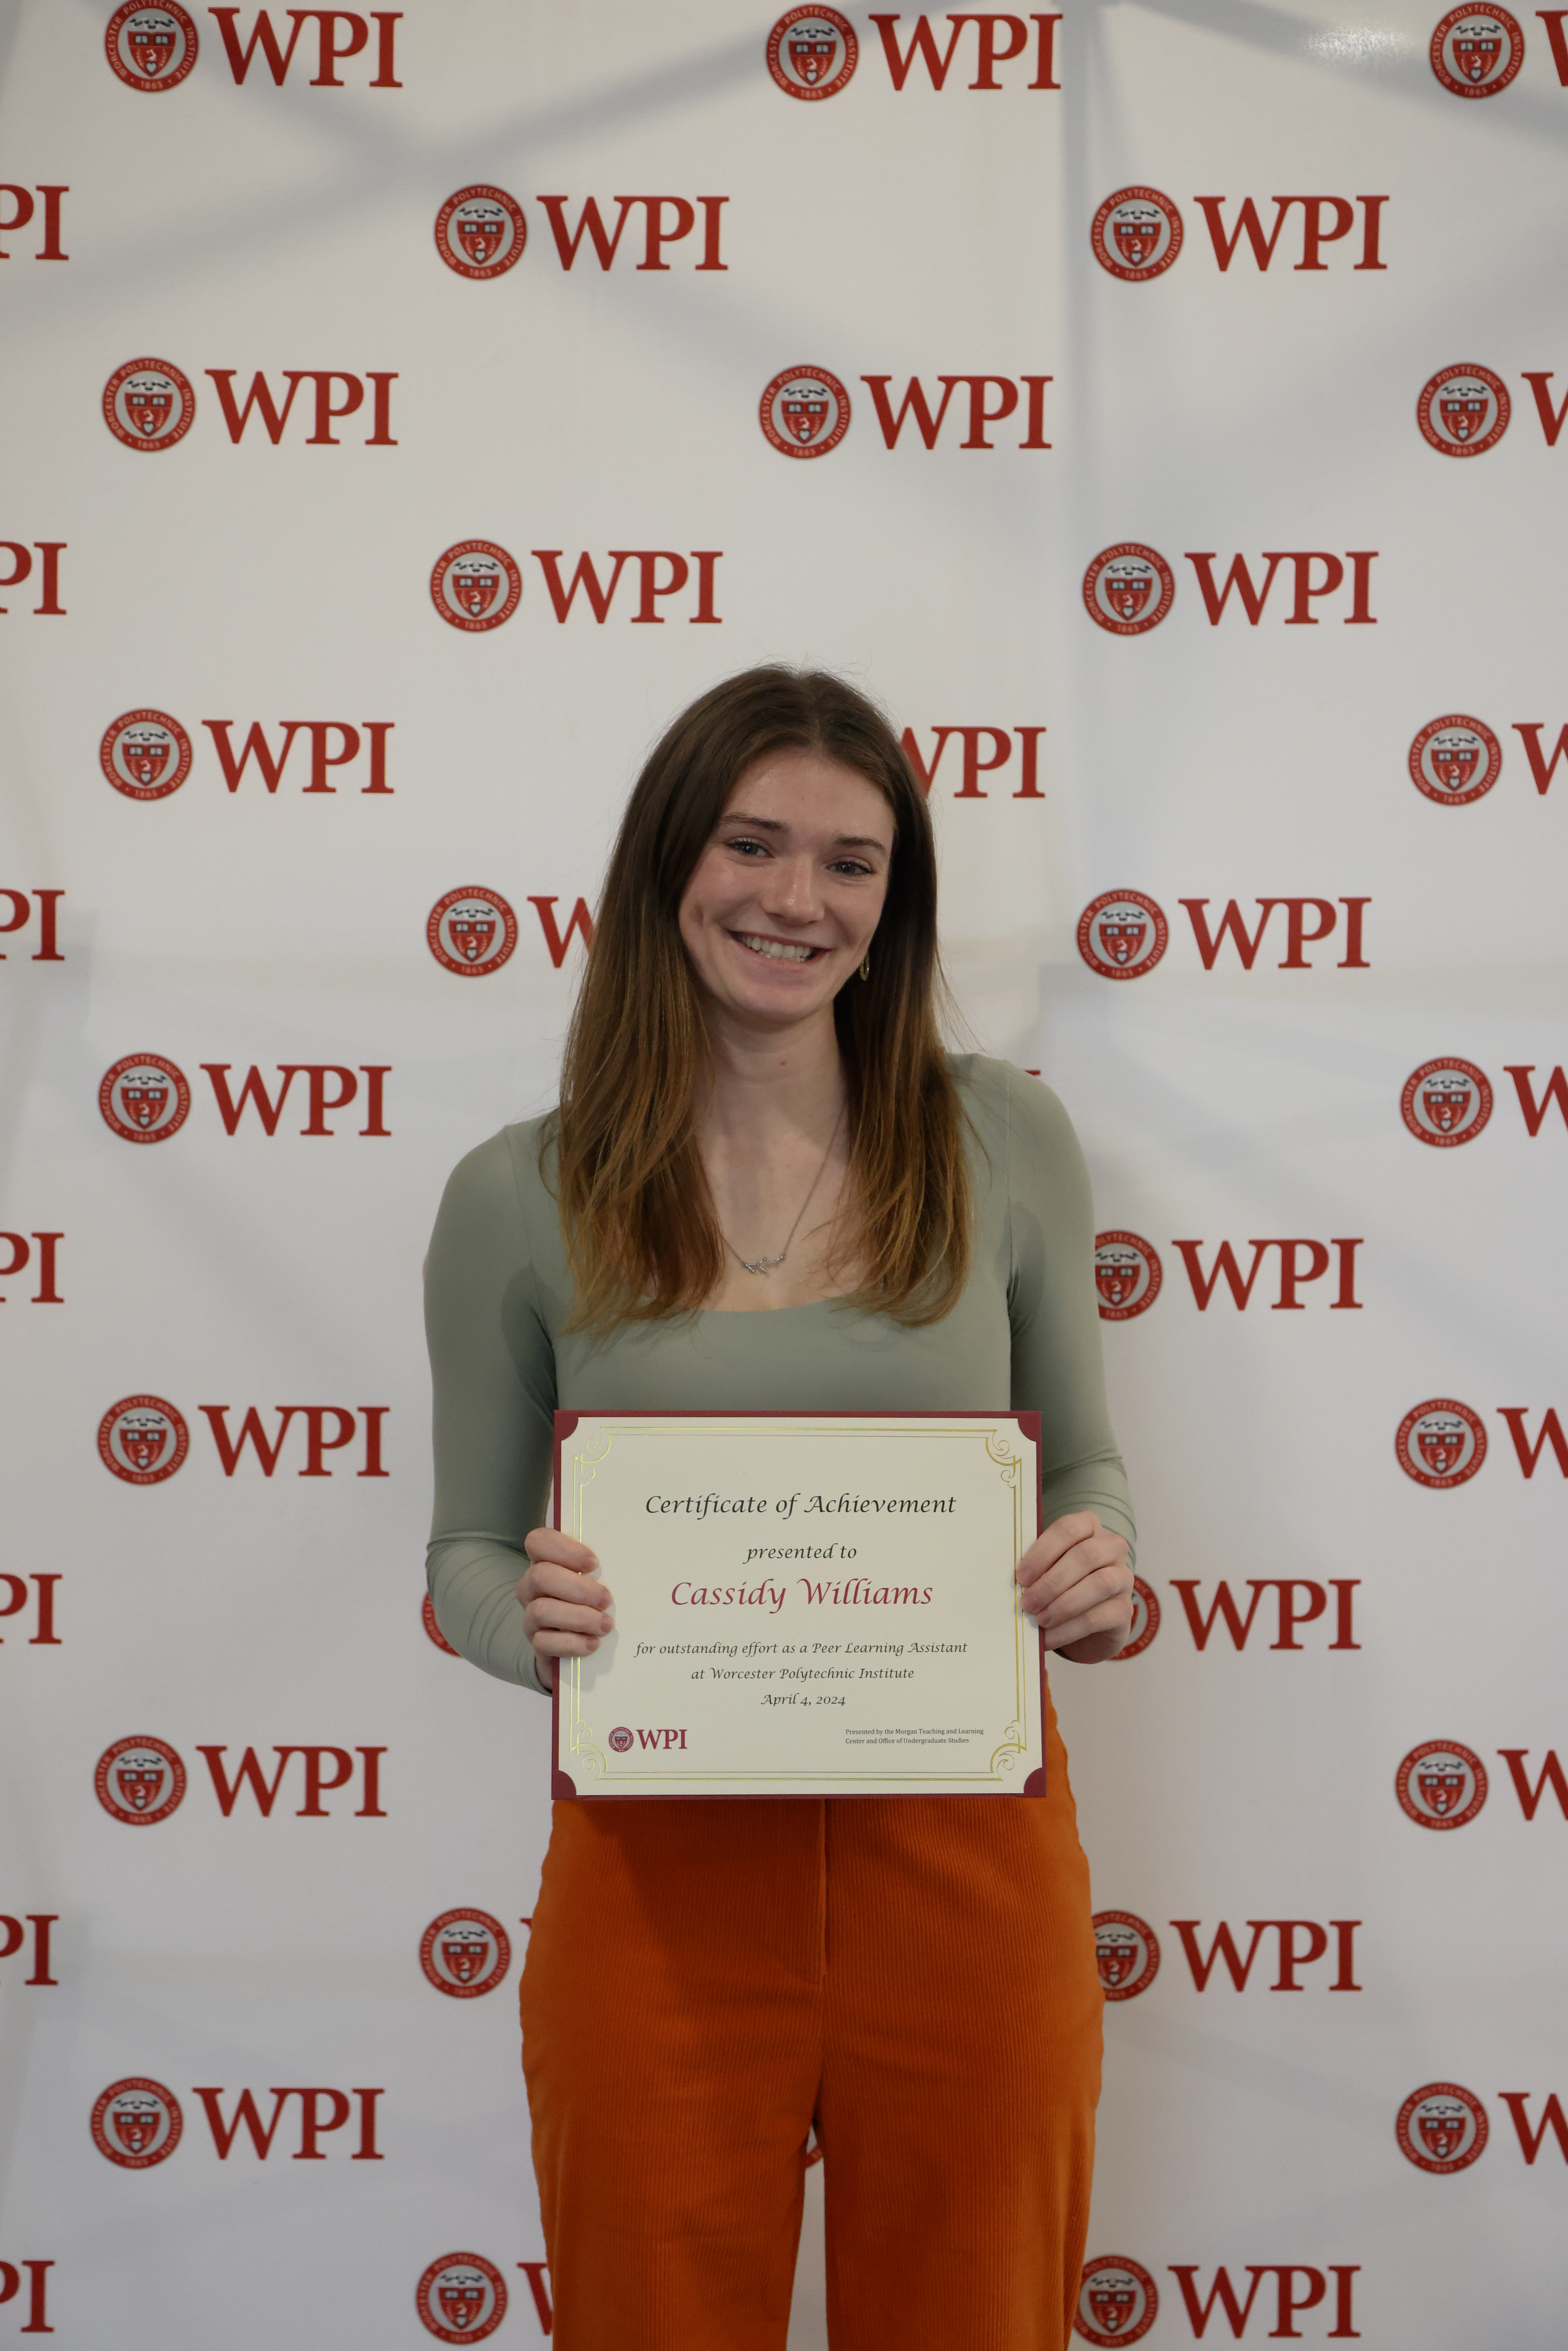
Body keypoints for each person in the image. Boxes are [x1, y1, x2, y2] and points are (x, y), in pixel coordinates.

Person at [423, 666, 1136, 2351]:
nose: (796, 899)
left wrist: (1103, 1561)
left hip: (971, 1860)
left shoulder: (1004, 1136)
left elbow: (1086, 1464)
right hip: (655, 1877)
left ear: (896, 907)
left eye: (852, 862)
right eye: (753, 844)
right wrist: (525, 1624)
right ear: (670, 862)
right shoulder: (518, 1192)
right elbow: (463, 1549)